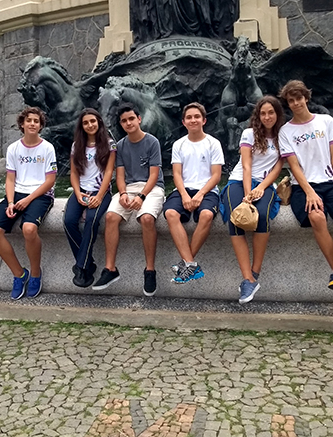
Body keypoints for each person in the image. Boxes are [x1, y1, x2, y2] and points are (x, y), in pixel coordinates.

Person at [278, 80, 333, 296]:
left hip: (329, 183)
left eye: (299, 98)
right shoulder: (285, 131)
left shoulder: (325, 121)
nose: (296, 103)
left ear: (306, 98)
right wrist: (309, 192)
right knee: (316, 216)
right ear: (288, 104)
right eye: (291, 101)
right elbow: (294, 166)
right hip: (303, 186)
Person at [92, 103, 165, 296]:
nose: (128, 123)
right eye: (124, 121)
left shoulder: (152, 142)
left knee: (146, 218)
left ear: (139, 119)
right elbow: (120, 176)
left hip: (152, 188)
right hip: (129, 188)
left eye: (131, 119)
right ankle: (110, 269)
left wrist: (142, 196)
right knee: (110, 217)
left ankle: (150, 270)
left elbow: (154, 175)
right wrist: (123, 193)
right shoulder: (121, 145)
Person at [0, 107, 57, 300]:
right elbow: (10, 179)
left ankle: (35, 273)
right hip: (17, 193)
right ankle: (19, 274)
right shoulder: (13, 148)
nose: (32, 124)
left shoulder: (47, 148)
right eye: (29, 120)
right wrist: (10, 202)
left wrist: (28, 199)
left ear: (40, 125)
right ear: (22, 124)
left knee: (29, 229)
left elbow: (50, 181)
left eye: (36, 121)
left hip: (41, 194)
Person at [221, 97, 284, 304]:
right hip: (239, 181)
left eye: (271, 112)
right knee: (236, 218)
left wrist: (261, 188)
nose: (267, 117)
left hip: (264, 184)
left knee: (263, 216)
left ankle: (254, 273)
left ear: (277, 114)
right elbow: (246, 165)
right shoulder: (249, 133)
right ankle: (247, 279)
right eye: (263, 113)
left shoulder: (283, 136)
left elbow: (277, 168)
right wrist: (248, 195)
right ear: (258, 115)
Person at [164, 103, 224, 283]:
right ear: (183, 122)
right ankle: (191, 265)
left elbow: (216, 176)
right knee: (170, 213)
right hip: (183, 189)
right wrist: (184, 195)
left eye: (197, 116)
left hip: (208, 190)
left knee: (206, 215)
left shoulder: (213, 143)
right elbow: (176, 174)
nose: (193, 120)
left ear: (204, 120)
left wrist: (199, 195)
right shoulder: (179, 144)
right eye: (189, 117)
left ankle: (186, 264)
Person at [65, 108, 116, 288]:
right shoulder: (76, 146)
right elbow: (74, 173)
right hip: (81, 190)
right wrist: (78, 193)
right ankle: (87, 263)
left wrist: (99, 196)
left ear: (99, 122)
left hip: (101, 191)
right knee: (69, 221)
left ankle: (81, 266)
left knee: (92, 221)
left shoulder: (110, 144)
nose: (90, 125)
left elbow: (109, 172)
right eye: (85, 123)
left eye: (92, 121)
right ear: (82, 126)